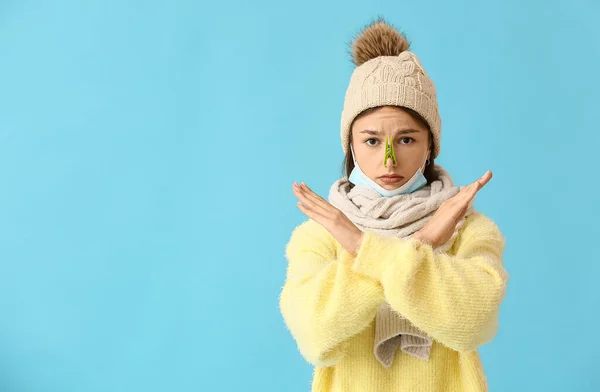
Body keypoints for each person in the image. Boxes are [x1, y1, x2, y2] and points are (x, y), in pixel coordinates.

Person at [279, 18, 509, 392]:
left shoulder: (468, 228)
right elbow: (314, 335)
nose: (389, 161)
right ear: (350, 145)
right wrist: (425, 243)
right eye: (371, 141)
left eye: (405, 140)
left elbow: (475, 323)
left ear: (430, 145)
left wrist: (360, 247)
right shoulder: (320, 234)